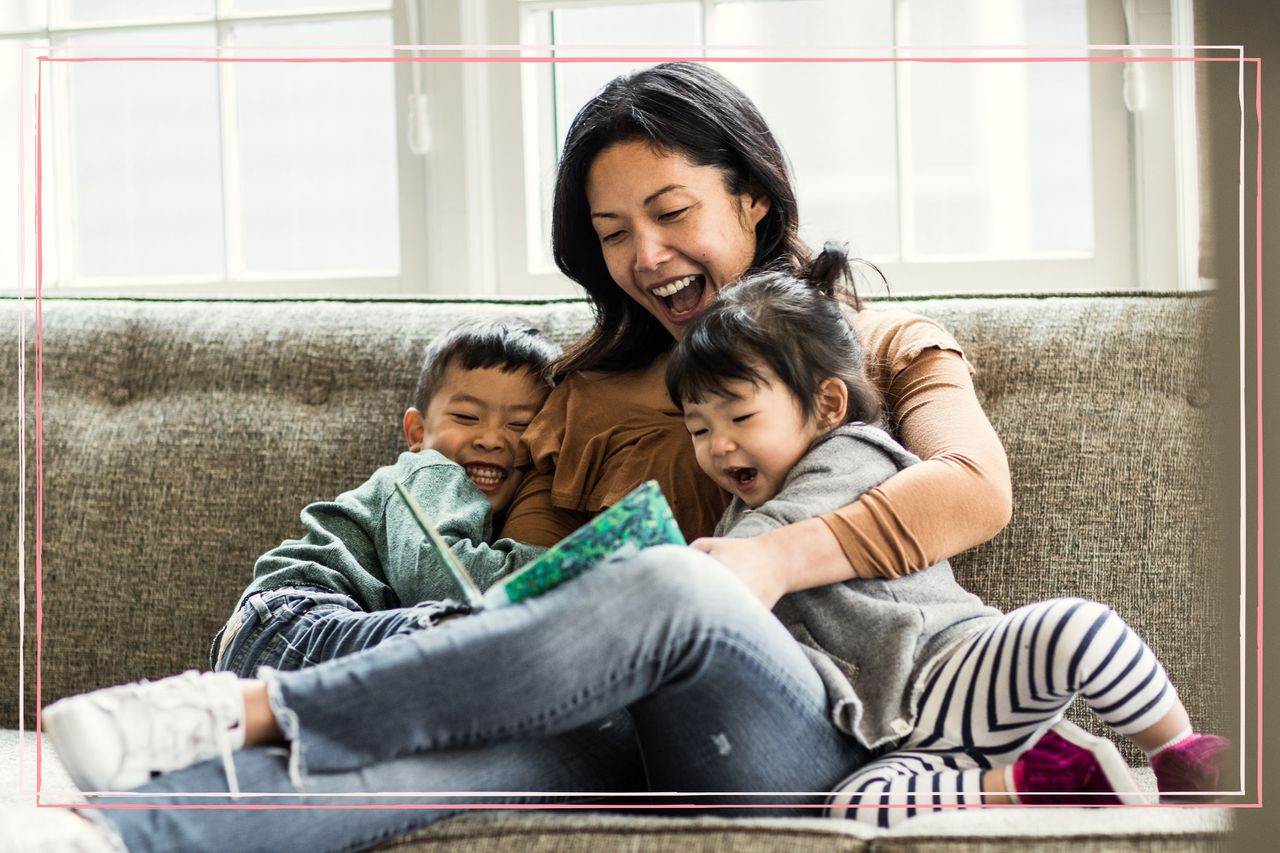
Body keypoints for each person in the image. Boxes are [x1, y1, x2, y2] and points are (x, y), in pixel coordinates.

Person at [15, 62, 1063, 852]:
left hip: (802, 730)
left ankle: (242, 702)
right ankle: (111, 826)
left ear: (750, 196)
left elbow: (973, 490)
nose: (644, 257)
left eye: (669, 213)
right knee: (400, 766)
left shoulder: (874, 344)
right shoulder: (578, 395)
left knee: (673, 584)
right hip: (602, 733)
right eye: (612, 233)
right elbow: (520, 594)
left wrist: (768, 561)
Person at [663, 264, 1232, 828]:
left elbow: (765, 541)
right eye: (699, 429)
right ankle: (1038, 783)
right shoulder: (742, 516)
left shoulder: (849, 455)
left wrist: (680, 577)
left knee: (1077, 627)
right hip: (898, 737)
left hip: (957, 668)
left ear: (828, 405)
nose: (719, 445)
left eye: (739, 416)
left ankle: (1179, 752)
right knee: (851, 804)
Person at [44, 317, 561, 794]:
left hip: (280, 645)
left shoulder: (493, 502)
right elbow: (442, 578)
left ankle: (192, 754)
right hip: (297, 616)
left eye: (520, 426)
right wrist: (565, 565)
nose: (492, 439)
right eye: (467, 416)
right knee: (453, 635)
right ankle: (168, 714)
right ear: (417, 433)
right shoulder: (426, 473)